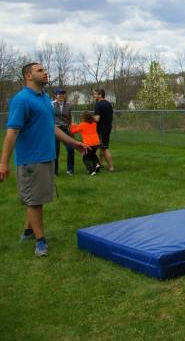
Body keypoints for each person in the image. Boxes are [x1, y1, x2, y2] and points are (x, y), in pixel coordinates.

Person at [0, 63, 88, 257]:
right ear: (28, 76)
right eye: (40, 70)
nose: (45, 73)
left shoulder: (45, 98)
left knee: (36, 198)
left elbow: (51, 128)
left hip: (47, 157)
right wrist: (3, 163)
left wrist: (73, 143)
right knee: (34, 201)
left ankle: (28, 231)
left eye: (44, 70)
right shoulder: (21, 100)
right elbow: (12, 132)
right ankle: (40, 241)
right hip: (31, 159)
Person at [52, 87, 75, 175]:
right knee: (55, 151)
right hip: (55, 129)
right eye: (59, 94)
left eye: (63, 94)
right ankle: (55, 171)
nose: (61, 95)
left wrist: (71, 126)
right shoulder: (51, 104)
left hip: (66, 129)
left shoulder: (69, 105)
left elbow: (70, 116)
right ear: (55, 95)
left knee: (70, 149)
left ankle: (70, 170)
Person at [92, 88, 114, 171]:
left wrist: (90, 118)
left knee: (104, 148)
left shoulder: (98, 104)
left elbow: (97, 119)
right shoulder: (109, 104)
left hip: (101, 129)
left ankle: (111, 166)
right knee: (101, 147)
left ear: (100, 95)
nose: (93, 96)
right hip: (108, 128)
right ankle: (100, 164)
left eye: (95, 94)